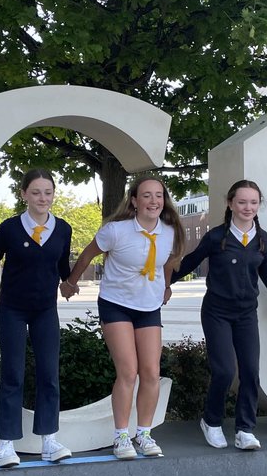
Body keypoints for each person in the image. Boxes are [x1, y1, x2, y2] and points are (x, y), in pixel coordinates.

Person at [61, 174, 184, 459]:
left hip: (149, 305)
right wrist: (71, 282)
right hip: (116, 304)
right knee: (128, 371)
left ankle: (144, 434)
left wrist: (166, 286)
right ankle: (121, 437)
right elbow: (87, 255)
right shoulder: (116, 231)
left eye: (158, 195)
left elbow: (168, 261)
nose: (154, 201)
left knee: (151, 372)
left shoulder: (170, 231)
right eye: (147, 195)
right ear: (134, 201)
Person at [0, 169, 73, 467]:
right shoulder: (9, 228)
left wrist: (69, 282)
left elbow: (62, 264)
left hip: (45, 311)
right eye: (35, 192)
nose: (42, 198)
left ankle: (49, 441)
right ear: (23, 194)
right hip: (12, 310)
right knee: (13, 375)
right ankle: (6, 445)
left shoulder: (63, 229)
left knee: (49, 374)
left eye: (47, 192)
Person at [167, 180, 267, 451]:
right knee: (224, 370)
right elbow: (190, 263)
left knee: (251, 372)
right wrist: (163, 282)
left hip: (246, 314)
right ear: (230, 204)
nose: (248, 207)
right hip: (216, 312)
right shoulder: (217, 237)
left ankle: (245, 429)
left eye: (253, 202)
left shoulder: (263, 241)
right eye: (242, 202)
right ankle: (211, 421)